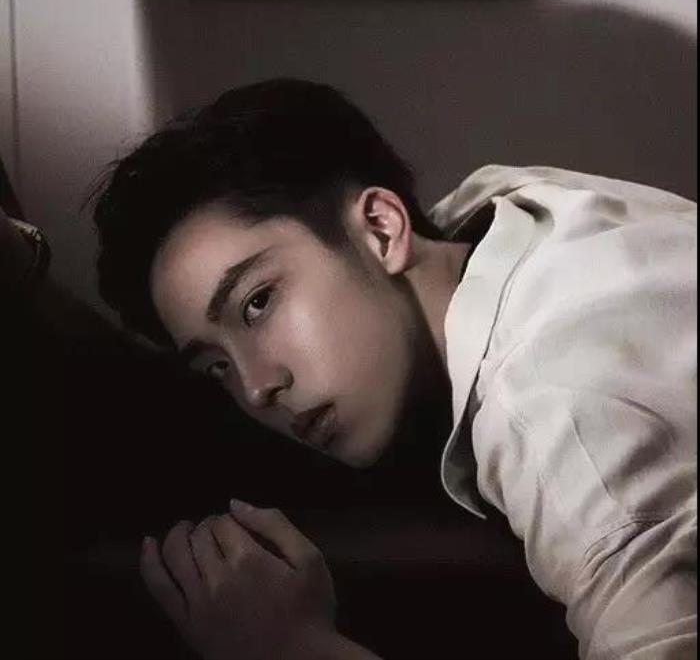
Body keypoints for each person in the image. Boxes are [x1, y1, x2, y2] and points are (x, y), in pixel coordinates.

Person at [90, 78, 697, 660]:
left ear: (382, 229)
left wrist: (297, 649)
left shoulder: (560, 422)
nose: (256, 387)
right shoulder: (507, 205)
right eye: (216, 366)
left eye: (257, 303)